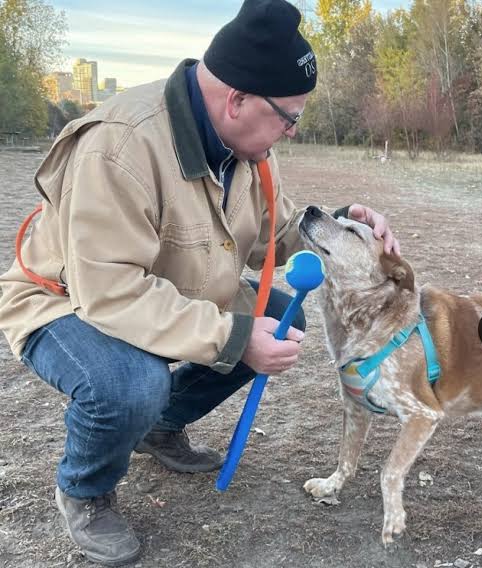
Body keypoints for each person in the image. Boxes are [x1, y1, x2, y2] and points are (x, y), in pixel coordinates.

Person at [0, 0, 399, 565]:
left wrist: (341, 224)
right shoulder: (120, 146)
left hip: (176, 291)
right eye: (290, 117)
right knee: (131, 383)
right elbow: (110, 293)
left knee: (283, 318)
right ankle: (86, 490)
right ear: (237, 99)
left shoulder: (250, 149)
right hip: (66, 302)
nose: (290, 131)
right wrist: (235, 339)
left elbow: (273, 237)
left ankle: (158, 427)